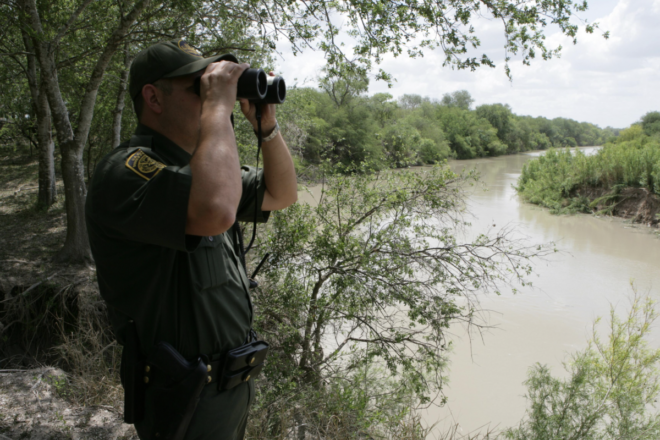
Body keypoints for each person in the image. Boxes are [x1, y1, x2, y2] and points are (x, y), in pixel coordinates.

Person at [85, 39, 297, 440]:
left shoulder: (202, 168)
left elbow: (281, 193)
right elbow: (215, 209)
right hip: (184, 395)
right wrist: (217, 106)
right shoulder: (125, 170)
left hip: (231, 387)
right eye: (197, 88)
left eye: (211, 88)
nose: (212, 96)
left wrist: (266, 127)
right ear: (153, 97)